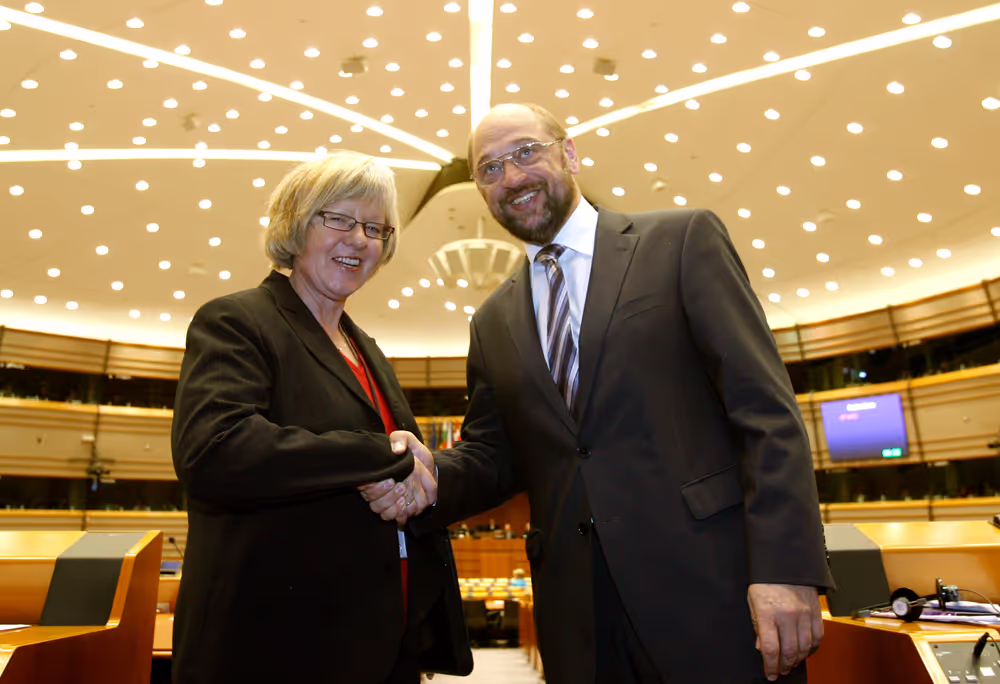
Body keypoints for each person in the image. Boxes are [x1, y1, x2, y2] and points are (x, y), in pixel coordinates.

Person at [363, 103, 834, 684]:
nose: (511, 177)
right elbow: (494, 455)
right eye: (489, 169)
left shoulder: (681, 241)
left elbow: (766, 412)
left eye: (526, 152)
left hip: (712, 590)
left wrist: (787, 568)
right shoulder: (491, 320)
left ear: (570, 153)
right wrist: (430, 473)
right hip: (577, 613)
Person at [171, 151, 472, 683]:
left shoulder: (367, 348)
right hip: (277, 648)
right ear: (294, 224)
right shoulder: (239, 321)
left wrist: (415, 476)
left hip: (380, 643)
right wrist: (384, 456)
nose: (359, 239)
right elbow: (216, 451)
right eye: (337, 218)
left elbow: (398, 470)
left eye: (375, 227)